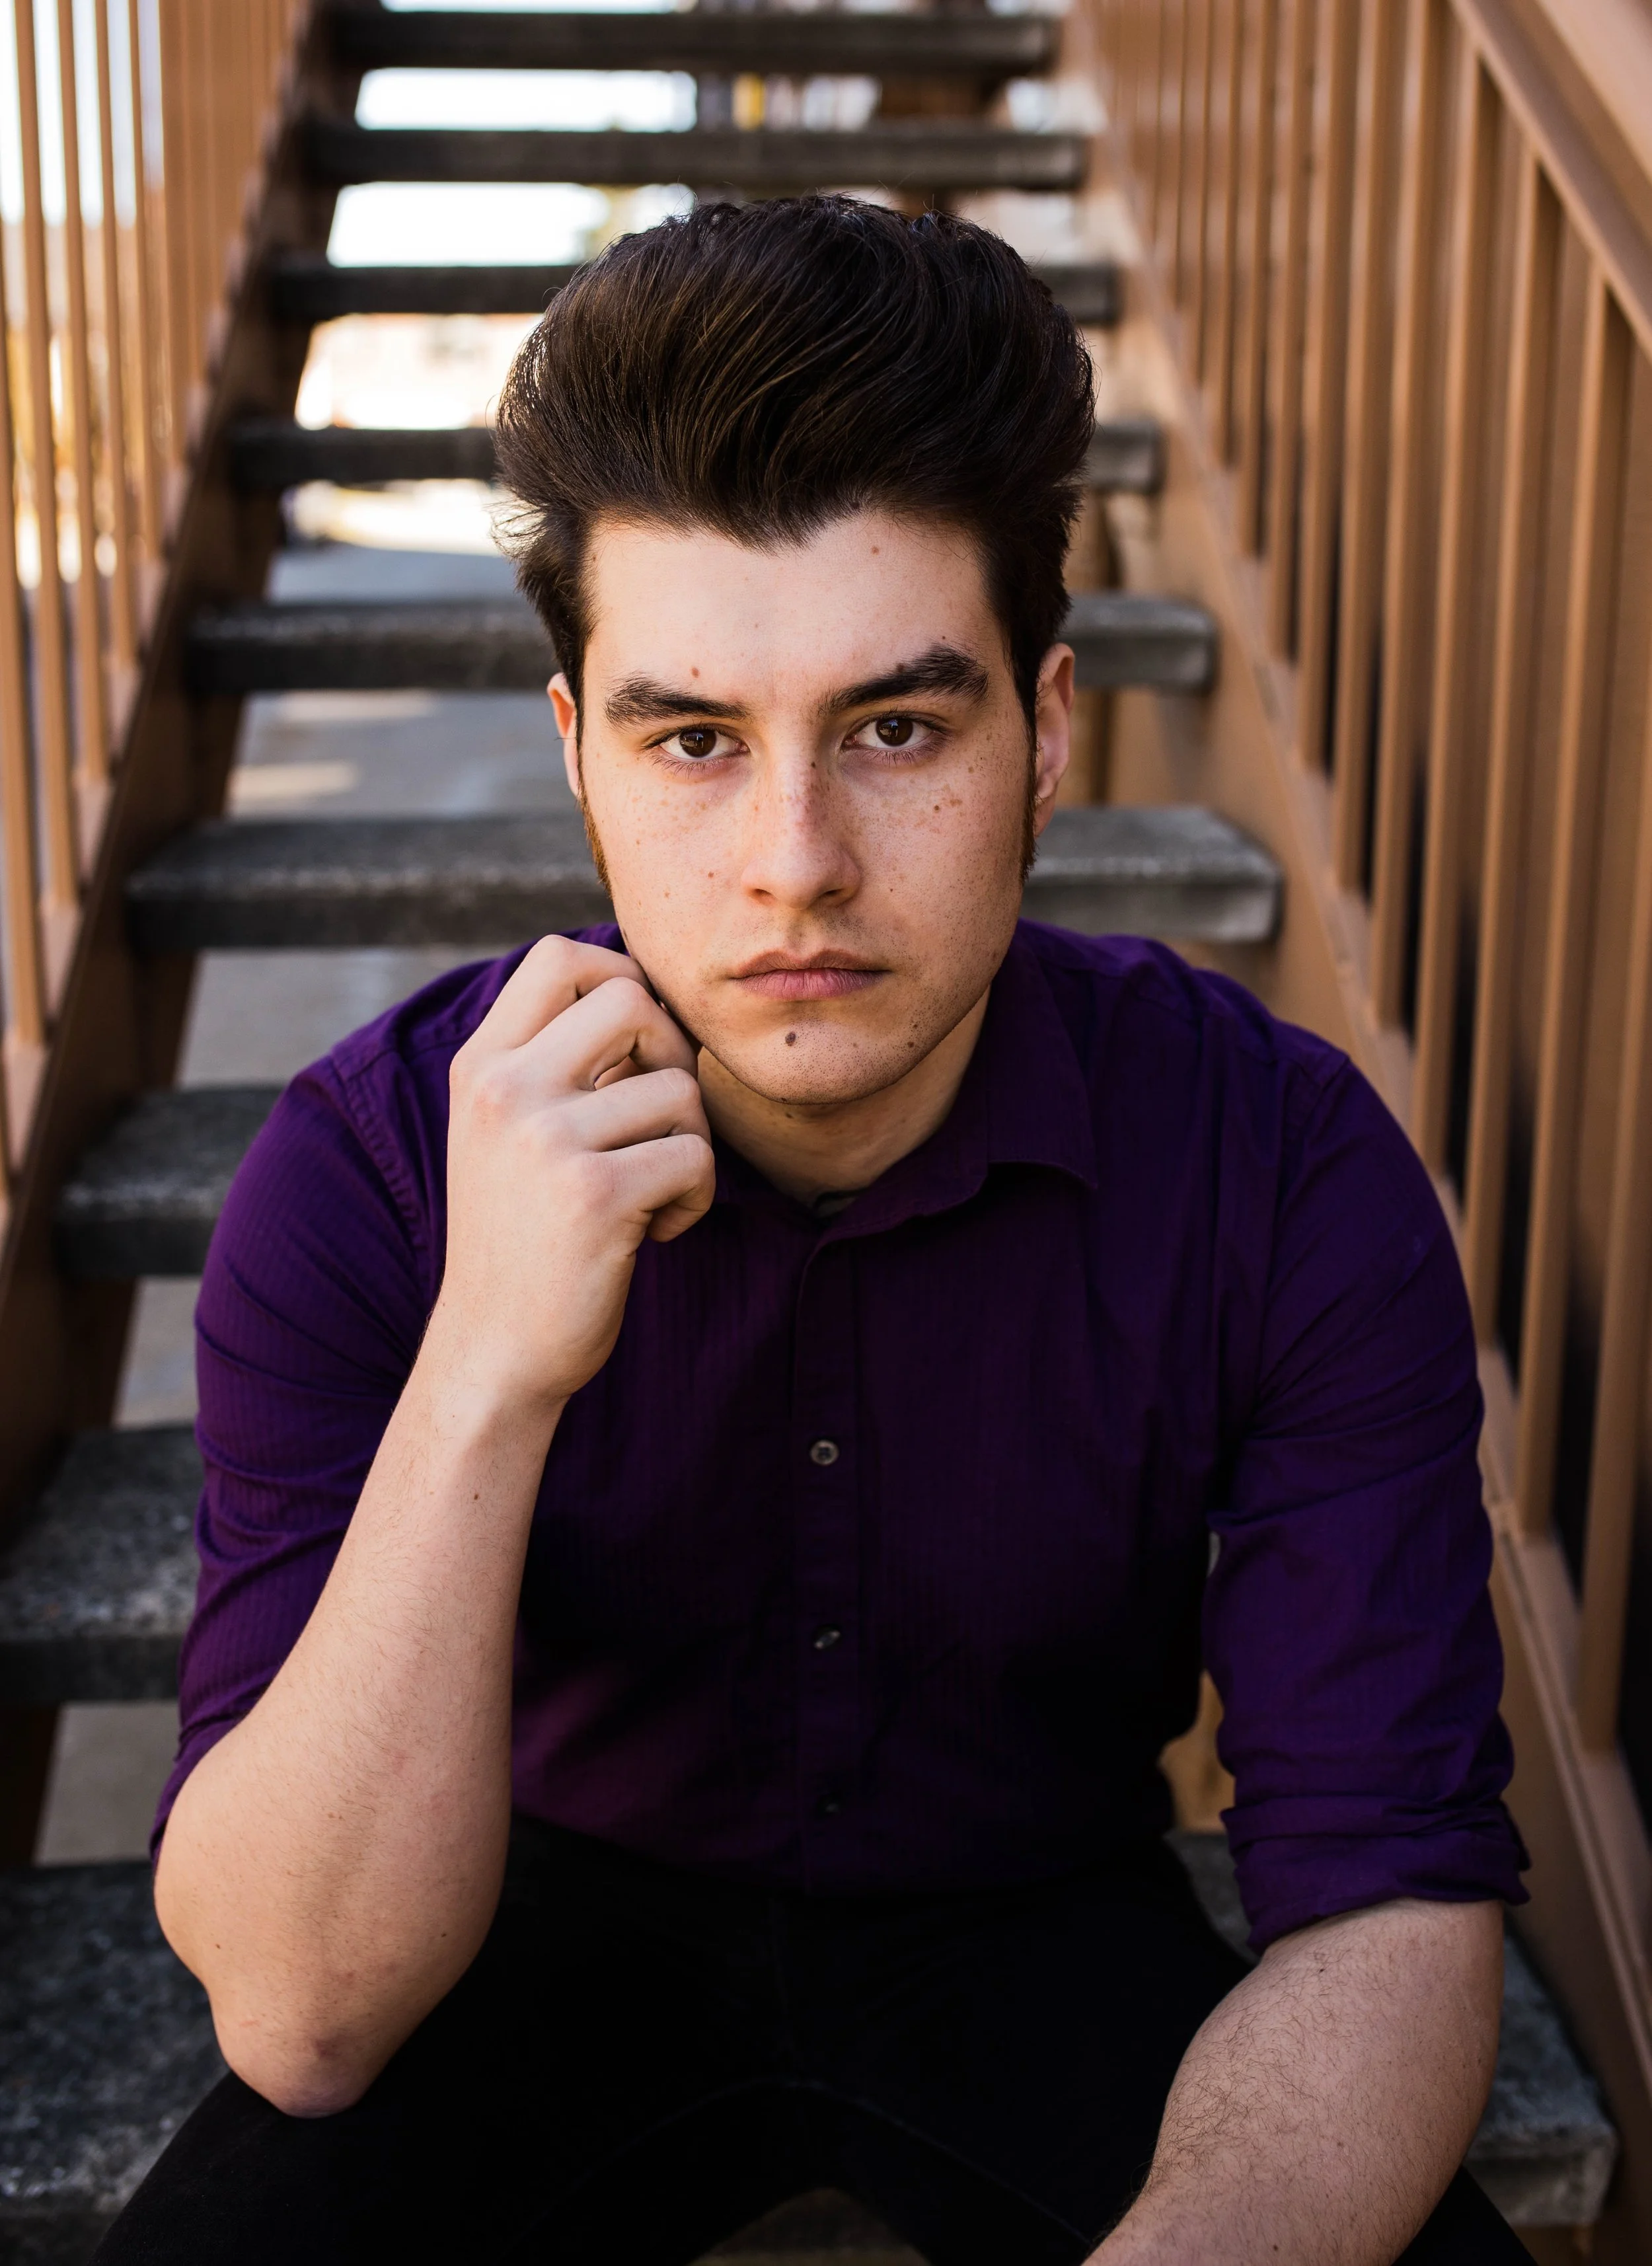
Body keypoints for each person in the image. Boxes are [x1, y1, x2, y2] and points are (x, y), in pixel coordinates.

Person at [100, 198, 1532, 2266]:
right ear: (579, 756)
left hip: (1033, 1909)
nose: (794, 866)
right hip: (524, 1906)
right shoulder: (370, 1169)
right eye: (695, 739)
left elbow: (1391, 1891)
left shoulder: (1276, 1161)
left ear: (1042, 733)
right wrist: (491, 1361)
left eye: (894, 727)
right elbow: (306, 2010)